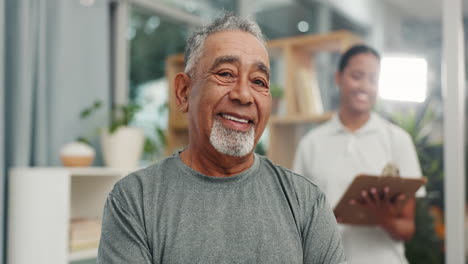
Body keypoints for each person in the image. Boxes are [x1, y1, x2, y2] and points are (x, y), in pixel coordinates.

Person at [97, 13, 345, 264]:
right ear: (184, 92)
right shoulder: (135, 200)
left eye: (259, 81)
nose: (244, 95)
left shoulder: (306, 202)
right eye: (226, 74)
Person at [293, 44, 425, 264]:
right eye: (357, 76)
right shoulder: (311, 144)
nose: (365, 85)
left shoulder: (398, 140)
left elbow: (408, 229)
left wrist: (385, 220)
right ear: (338, 78)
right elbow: (298, 221)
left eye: (373, 79)